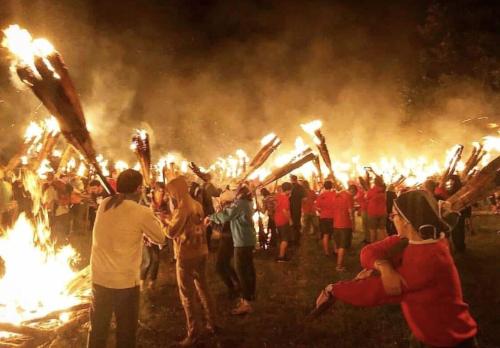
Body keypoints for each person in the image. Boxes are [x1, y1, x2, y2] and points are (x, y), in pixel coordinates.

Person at [314, 190, 478, 347]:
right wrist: (383, 266)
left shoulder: (428, 260)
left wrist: (332, 290)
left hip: (448, 340)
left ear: (407, 221)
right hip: (429, 334)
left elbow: (372, 292)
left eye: (394, 215)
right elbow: (369, 251)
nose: (391, 219)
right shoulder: (416, 239)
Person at [88, 169, 165, 348]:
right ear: (138, 189)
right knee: (126, 332)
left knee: (98, 330)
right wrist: (155, 218)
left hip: (99, 279)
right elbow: (160, 238)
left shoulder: (105, 203)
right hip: (124, 283)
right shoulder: (141, 212)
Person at [165, 176, 217, 346]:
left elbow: (171, 232)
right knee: (204, 287)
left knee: (187, 295)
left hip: (187, 254)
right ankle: (213, 323)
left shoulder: (182, 207)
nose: (170, 196)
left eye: (171, 192)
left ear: (176, 191)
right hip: (201, 250)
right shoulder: (196, 204)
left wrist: (161, 220)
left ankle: (194, 333)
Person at [206, 185, 256, 315]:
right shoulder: (248, 203)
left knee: (242, 270)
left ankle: (246, 302)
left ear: (239, 194)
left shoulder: (239, 204)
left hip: (242, 240)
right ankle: (249, 296)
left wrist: (211, 217)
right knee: (248, 268)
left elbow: (226, 216)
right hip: (248, 239)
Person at [140, 182, 169, 291]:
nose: (162, 194)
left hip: (156, 235)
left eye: (164, 192)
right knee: (148, 260)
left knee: (156, 260)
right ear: (155, 191)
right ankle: (141, 283)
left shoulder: (164, 203)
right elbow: (140, 218)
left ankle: (152, 282)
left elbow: (168, 216)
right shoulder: (145, 202)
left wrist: (164, 218)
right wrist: (143, 234)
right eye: (160, 191)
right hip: (145, 235)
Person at [214, 189, 240, 298]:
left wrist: (219, 235)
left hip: (227, 243)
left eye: (223, 202)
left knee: (220, 267)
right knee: (226, 265)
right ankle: (238, 284)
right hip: (227, 242)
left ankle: (232, 288)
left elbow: (232, 232)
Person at [333, 185, 355, 271]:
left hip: (336, 223)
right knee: (342, 245)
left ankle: (336, 255)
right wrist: (353, 224)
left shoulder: (337, 195)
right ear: (352, 191)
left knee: (337, 243)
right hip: (344, 224)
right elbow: (350, 212)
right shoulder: (349, 197)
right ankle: (339, 266)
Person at [201, 174, 222, 250]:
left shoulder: (202, 186)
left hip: (202, 209)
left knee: (205, 228)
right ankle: (208, 246)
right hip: (208, 210)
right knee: (209, 228)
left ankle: (206, 245)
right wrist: (220, 189)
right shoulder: (209, 186)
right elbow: (217, 193)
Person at [316, 180, 336, 256]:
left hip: (323, 217)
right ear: (331, 186)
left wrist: (322, 211)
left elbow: (317, 207)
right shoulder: (334, 195)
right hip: (333, 217)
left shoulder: (321, 195)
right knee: (334, 234)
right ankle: (335, 250)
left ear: (324, 186)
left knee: (325, 235)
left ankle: (326, 252)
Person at [274, 182, 293, 262]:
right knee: (285, 239)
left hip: (277, 219)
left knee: (281, 238)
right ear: (288, 190)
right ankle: (281, 257)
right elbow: (285, 210)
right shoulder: (285, 198)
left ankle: (282, 254)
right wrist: (290, 220)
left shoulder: (278, 196)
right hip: (283, 220)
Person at [366, 176, 387, 242]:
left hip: (373, 212)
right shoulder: (384, 191)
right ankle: (385, 245)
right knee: (382, 230)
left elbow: (367, 199)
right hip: (382, 212)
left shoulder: (371, 191)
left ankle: (373, 246)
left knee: (373, 231)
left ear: (375, 182)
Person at [289, 175, 306, 244]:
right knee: (297, 223)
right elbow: (304, 198)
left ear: (291, 179)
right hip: (297, 207)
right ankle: (297, 238)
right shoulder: (301, 187)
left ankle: (294, 239)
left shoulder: (290, 187)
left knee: (292, 223)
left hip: (290, 207)